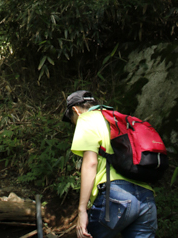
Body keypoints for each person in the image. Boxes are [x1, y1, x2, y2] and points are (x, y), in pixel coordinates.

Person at [63, 90, 157, 238]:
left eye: (72, 120)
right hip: (146, 198)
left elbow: (91, 163)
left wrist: (82, 210)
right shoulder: (119, 119)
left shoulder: (86, 119)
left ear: (75, 110)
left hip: (116, 197)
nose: (74, 124)